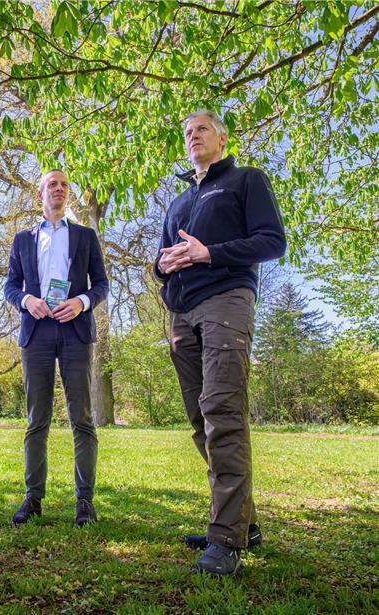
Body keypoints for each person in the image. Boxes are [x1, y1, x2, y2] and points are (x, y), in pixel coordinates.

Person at [155, 110, 286, 576]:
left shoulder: (246, 180)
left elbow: (272, 242)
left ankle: (227, 538)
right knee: (200, 419)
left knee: (223, 412)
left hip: (226, 301)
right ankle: (242, 522)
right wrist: (166, 265)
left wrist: (209, 253)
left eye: (202, 129)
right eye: (187, 132)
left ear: (223, 138)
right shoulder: (179, 201)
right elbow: (162, 258)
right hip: (182, 313)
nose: (193, 136)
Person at [4, 169, 108, 527]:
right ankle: (33, 498)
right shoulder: (22, 240)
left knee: (82, 418)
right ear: (41, 195)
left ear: (68, 195)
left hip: (75, 331)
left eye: (64, 185)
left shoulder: (85, 235)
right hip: (37, 333)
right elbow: (10, 288)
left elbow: (102, 286)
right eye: (53, 184)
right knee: (37, 419)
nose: (59, 189)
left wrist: (81, 301)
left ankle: (85, 501)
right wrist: (26, 300)